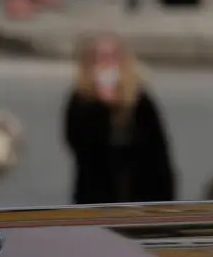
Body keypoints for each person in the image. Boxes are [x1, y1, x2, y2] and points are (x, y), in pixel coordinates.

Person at [64, 32, 177, 205]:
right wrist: (101, 108)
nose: (108, 63)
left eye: (113, 57)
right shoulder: (81, 100)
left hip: (141, 193)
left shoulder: (140, 99)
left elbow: (157, 149)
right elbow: (78, 144)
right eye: (101, 58)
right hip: (95, 193)